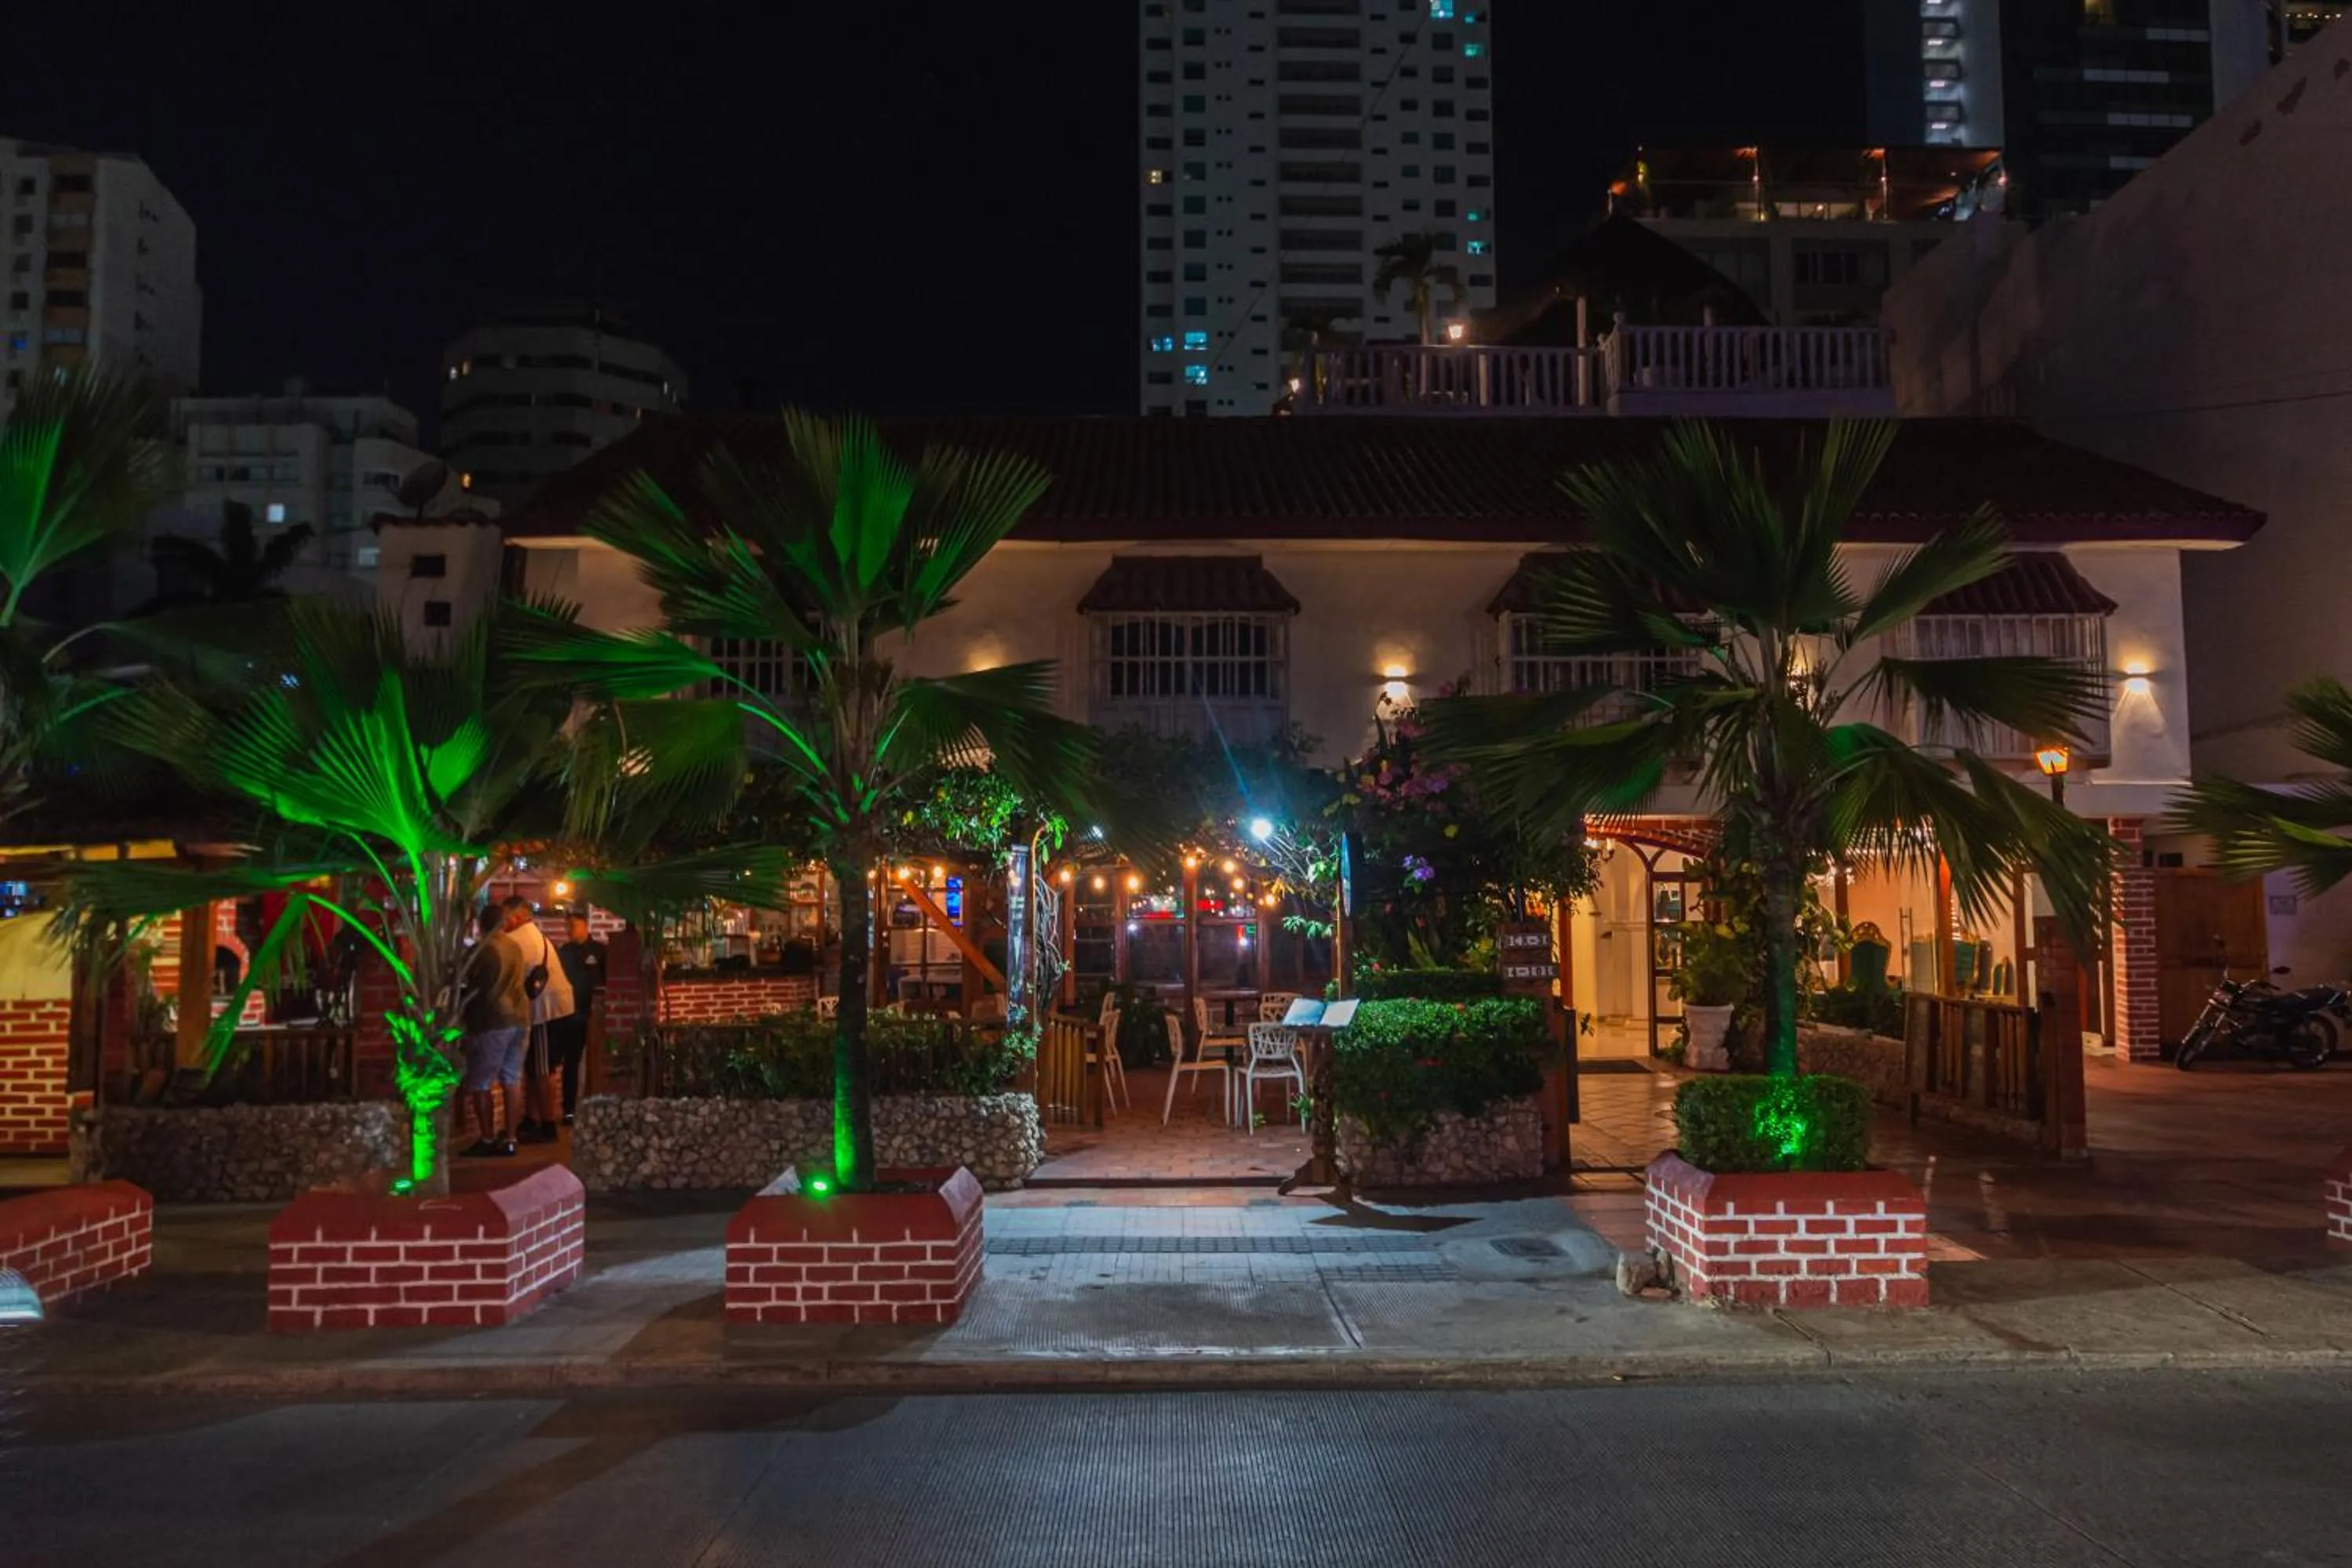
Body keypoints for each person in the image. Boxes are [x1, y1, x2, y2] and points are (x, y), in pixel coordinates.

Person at [459, 903, 529, 1158]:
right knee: (512, 1080)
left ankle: (487, 1138)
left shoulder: (482, 950)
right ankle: (510, 1138)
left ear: (481, 924)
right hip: (520, 1018)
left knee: (481, 1082)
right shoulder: (515, 947)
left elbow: (471, 987)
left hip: (491, 1021)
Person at [503, 896, 575, 1144]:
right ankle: (532, 1119)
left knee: (542, 1069)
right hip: (554, 1008)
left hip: (545, 1010)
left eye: (504, 918)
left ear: (515, 917)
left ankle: (547, 1123)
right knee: (535, 1067)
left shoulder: (518, 939)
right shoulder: (535, 935)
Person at [549, 910, 607, 1124]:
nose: (569, 930)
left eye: (573, 925)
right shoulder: (564, 952)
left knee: (594, 1062)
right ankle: (569, 1109)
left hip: (593, 1017)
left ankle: (595, 1106)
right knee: (570, 1062)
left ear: (585, 925)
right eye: (567, 926)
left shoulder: (600, 951)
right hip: (569, 1015)